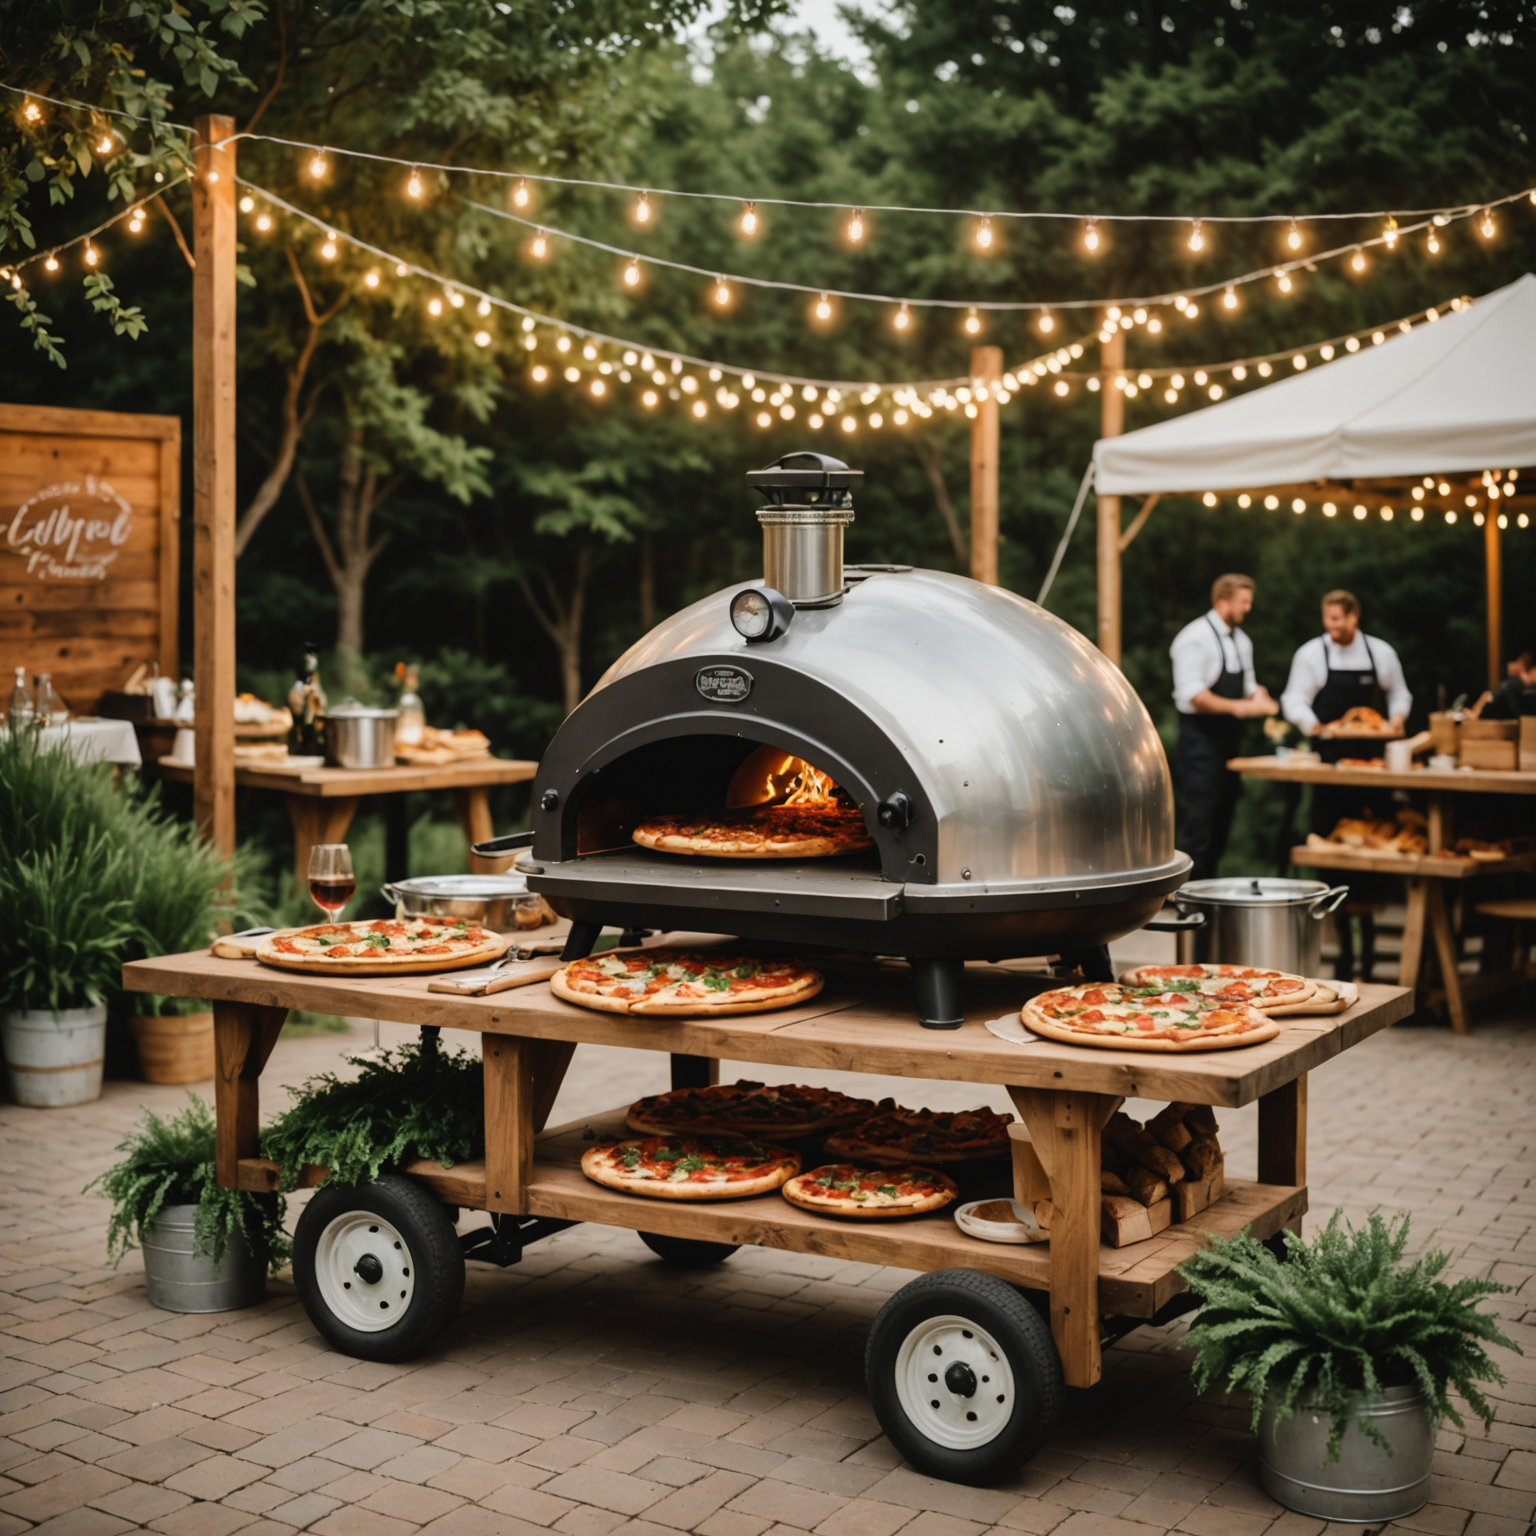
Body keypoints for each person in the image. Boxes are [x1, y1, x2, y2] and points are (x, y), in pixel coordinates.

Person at [1281, 590, 1413, 982]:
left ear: (1354, 617)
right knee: (1333, 858)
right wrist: (1315, 727)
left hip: (1373, 769)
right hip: (1331, 769)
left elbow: (1399, 693)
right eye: (1328, 619)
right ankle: (1341, 953)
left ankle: (1369, 954)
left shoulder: (1381, 653)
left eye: (1338, 619)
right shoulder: (1311, 654)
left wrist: (1398, 719)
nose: (1331, 627)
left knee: (1372, 858)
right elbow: (1294, 700)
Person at [1170, 573, 1278, 883]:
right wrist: (1241, 707)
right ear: (1222, 602)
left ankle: (1211, 901)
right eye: (1242, 602)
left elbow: (1247, 684)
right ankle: (1188, 900)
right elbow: (1193, 695)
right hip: (1201, 744)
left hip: (1230, 744)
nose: (1248, 607)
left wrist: (1258, 695)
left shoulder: (1242, 640)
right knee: (1199, 826)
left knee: (1221, 824)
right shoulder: (1194, 638)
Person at [1474, 653, 1536, 720]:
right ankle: (1474, 713)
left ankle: (1475, 714)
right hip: (1503, 693)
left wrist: (1520, 671)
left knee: (1490, 695)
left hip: (1507, 693)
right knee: (1487, 694)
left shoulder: (1527, 674)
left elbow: (1528, 683)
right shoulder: (1517, 679)